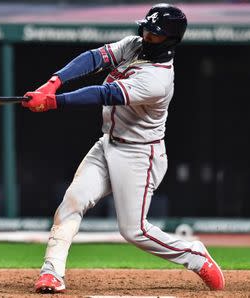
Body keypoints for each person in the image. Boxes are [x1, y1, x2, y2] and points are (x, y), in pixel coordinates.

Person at [22, 3, 225, 293]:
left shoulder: (158, 80)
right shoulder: (134, 46)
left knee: (134, 231)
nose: (145, 35)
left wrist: (55, 101)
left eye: (153, 34)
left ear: (169, 40)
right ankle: (52, 272)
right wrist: (53, 83)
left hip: (140, 154)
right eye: (145, 28)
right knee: (72, 201)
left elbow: (105, 94)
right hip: (108, 143)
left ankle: (194, 255)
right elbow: (93, 58)